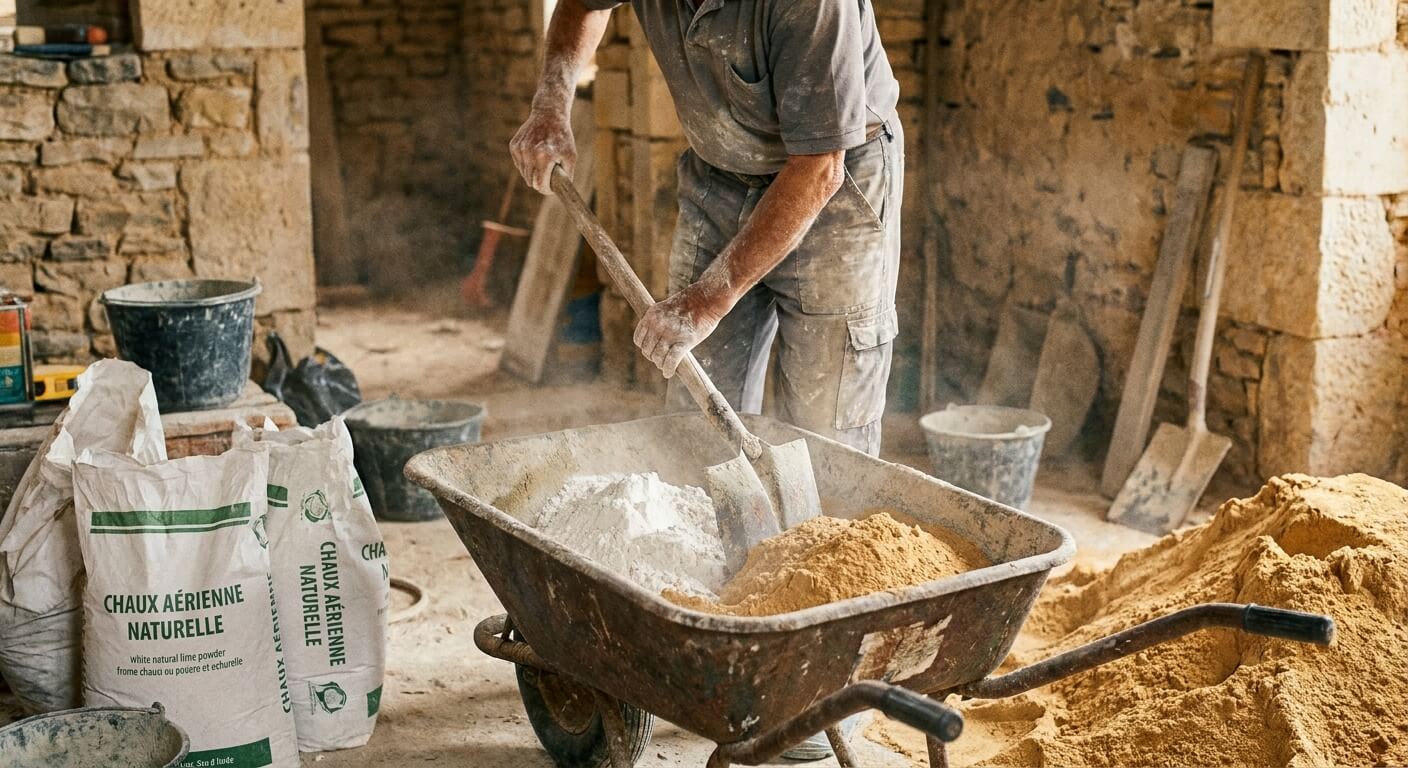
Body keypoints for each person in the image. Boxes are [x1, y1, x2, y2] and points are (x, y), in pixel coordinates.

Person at [511, 0, 902, 457]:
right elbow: (583, 5)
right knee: (699, 411)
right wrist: (551, 103)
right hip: (719, 171)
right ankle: (714, 518)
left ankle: (830, 523)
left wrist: (708, 299)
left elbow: (819, 169)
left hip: (836, 178)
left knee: (827, 419)